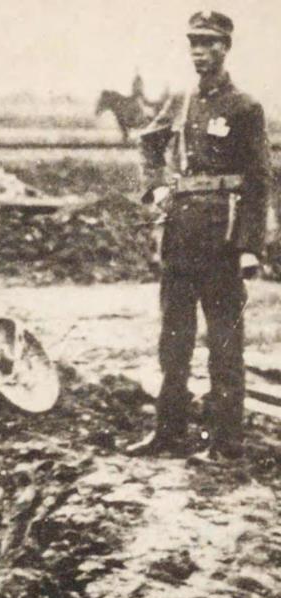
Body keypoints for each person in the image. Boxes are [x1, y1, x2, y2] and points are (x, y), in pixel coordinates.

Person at [129, 10, 270, 462]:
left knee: (224, 343)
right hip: (180, 235)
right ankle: (168, 433)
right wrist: (155, 187)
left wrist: (250, 246)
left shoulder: (244, 107)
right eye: (193, 43)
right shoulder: (181, 100)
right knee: (173, 341)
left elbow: (258, 180)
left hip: (222, 239)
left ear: (225, 48)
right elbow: (148, 142)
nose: (199, 52)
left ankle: (226, 444)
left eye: (208, 43)